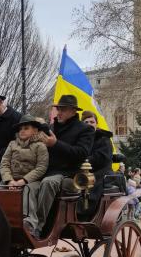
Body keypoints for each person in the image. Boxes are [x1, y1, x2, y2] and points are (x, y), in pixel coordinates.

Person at [32, 95, 95, 234]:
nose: (59, 112)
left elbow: (81, 153)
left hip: (70, 175)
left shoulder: (85, 129)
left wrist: (55, 144)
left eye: (63, 109)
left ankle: (38, 226)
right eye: (58, 109)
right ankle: (26, 222)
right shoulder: (51, 128)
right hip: (46, 171)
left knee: (49, 183)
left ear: (73, 111)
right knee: (25, 185)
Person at [0, 115, 49, 237]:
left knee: (27, 191)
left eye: (26, 128)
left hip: (32, 181)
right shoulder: (12, 144)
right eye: (20, 128)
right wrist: (9, 180)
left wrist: (24, 181)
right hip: (12, 179)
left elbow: (41, 167)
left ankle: (30, 223)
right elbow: (4, 163)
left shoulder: (40, 146)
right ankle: (0, 220)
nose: (22, 130)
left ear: (35, 130)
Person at [81, 111, 113, 204]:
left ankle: (86, 210)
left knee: (91, 185)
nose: (89, 124)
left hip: (101, 171)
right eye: (86, 122)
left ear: (96, 124)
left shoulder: (104, 139)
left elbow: (101, 158)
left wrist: (83, 161)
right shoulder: (80, 139)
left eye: (92, 122)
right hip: (82, 170)